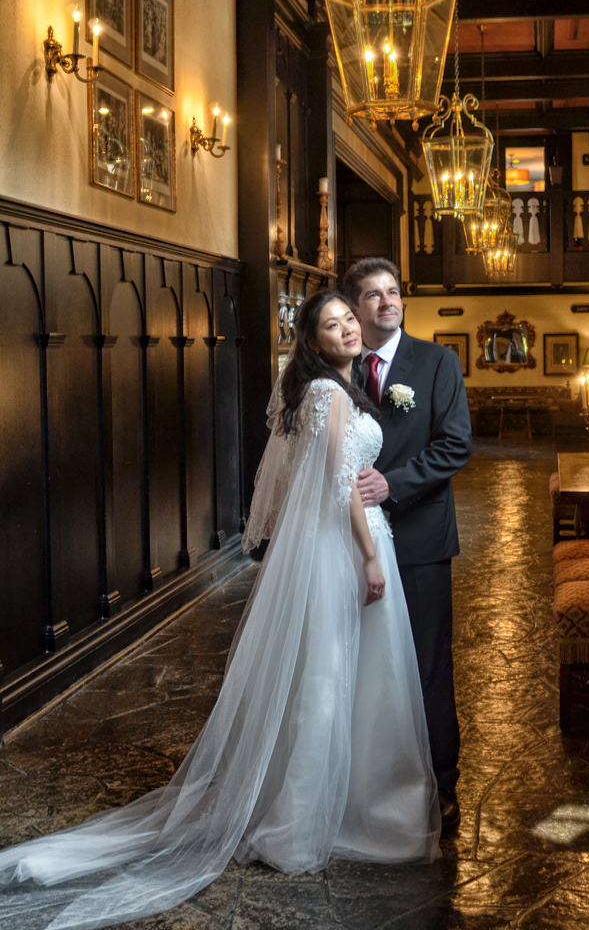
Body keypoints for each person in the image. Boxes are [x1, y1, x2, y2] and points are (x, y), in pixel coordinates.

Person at [0, 291, 439, 930]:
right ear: (312, 342)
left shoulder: (334, 392)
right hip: (346, 546)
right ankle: (298, 822)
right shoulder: (327, 394)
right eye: (332, 324)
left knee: (344, 674)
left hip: (342, 540)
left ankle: (342, 801)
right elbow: (339, 480)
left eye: (349, 318)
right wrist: (370, 556)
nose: (348, 328)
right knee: (326, 677)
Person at [343, 258, 473, 832]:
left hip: (420, 535)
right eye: (372, 295)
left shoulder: (438, 362)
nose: (387, 301)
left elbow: (455, 445)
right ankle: (366, 779)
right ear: (355, 310)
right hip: (350, 540)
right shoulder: (339, 368)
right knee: (360, 659)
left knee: (427, 662)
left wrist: (392, 485)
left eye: (393, 291)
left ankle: (441, 781)